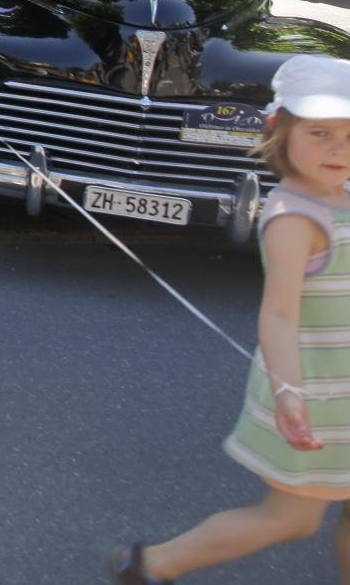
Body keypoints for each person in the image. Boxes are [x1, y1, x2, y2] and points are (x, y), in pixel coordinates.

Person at [109, 55, 350, 584]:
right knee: (291, 518)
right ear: (279, 128)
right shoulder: (295, 219)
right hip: (318, 394)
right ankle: (152, 564)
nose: (339, 149)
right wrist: (289, 392)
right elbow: (280, 314)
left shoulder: (342, 193)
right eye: (320, 133)